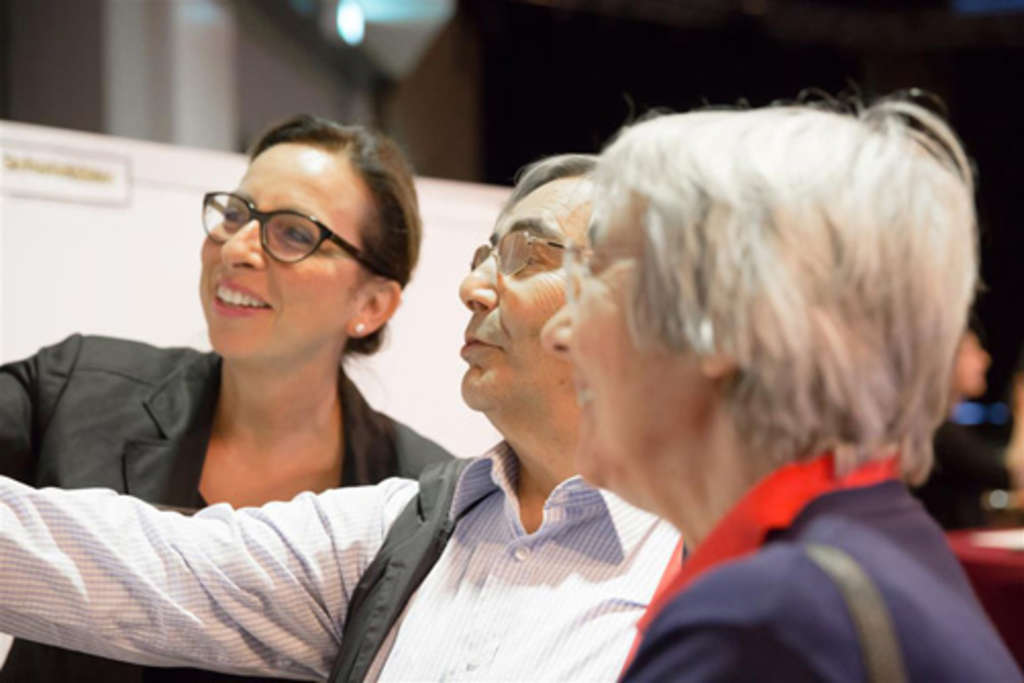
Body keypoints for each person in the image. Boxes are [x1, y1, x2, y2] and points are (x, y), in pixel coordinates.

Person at [0, 154, 681, 681]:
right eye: (482, 258)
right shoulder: (404, 530)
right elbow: (145, 568)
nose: (472, 287)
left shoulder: (712, 556)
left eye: (522, 255)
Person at [541, 97, 1021, 680]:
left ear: (724, 319)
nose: (558, 331)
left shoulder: (763, 622)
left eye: (596, 272)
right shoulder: (881, 545)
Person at [0, 114, 451, 682]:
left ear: (371, 306)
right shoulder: (76, 389)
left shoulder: (424, 500)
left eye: (293, 233)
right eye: (236, 214)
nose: (237, 248)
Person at [915, 328, 1024, 528]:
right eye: (972, 351)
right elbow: (1010, 475)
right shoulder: (939, 432)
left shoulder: (941, 428)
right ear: (945, 361)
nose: (985, 359)